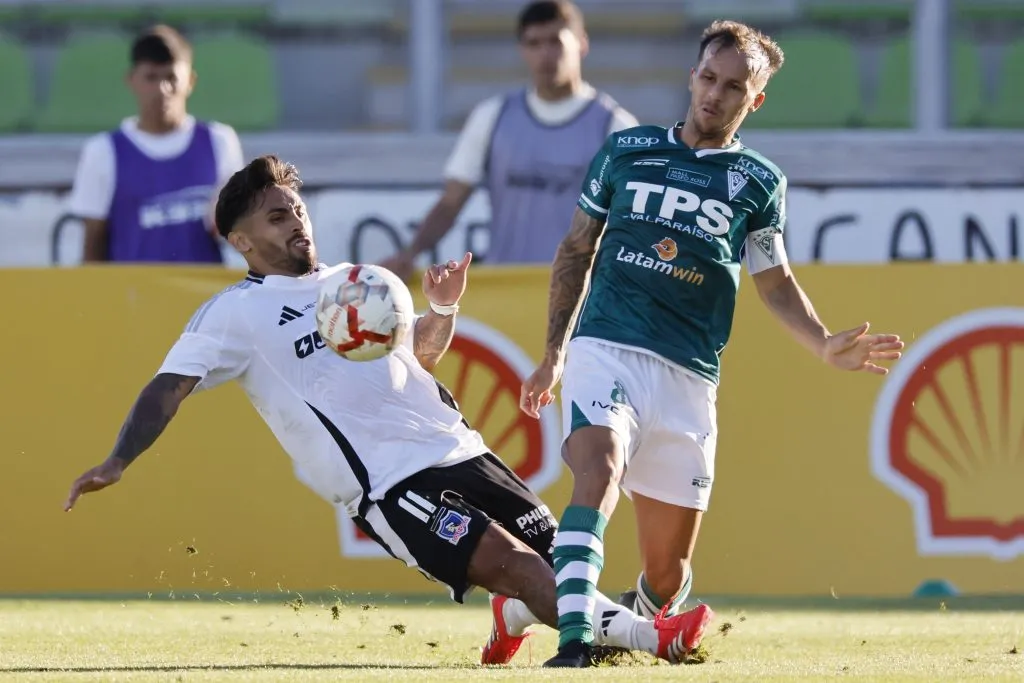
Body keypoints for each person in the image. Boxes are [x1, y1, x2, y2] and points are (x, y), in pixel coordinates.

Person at [63, 154, 713, 667]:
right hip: (390, 484)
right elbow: (168, 386)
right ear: (240, 239)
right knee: (520, 567)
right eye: (276, 217)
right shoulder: (235, 311)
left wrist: (443, 311)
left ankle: (513, 617)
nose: (296, 223)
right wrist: (120, 456)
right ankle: (659, 639)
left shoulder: (358, 279)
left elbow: (415, 359)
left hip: (460, 447)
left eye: (296, 208)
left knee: (559, 562)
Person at [519, 20, 906, 668]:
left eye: (734, 86)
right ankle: (574, 643)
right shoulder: (626, 150)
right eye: (708, 77)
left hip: (688, 377)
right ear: (692, 75)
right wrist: (554, 351)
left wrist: (819, 342)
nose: (715, 94)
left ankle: (597, 619)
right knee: (599, 469)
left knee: (666, 575)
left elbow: (775, 281)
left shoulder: (759, 182)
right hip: (605, 346)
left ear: (754, 100)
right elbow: (577, 247)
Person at [381, 0, 638, 280]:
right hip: (509, 292)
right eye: (534, 43)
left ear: (581, 44)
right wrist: (411, 253)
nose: (545, 54)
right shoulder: (492, 117)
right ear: (522, 50)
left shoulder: (616, 128)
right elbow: (451, 202)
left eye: (556, 42)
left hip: (581, 294)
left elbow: (638, 218)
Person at [67, 24, 244, 264]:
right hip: (132, 298)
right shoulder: (103, 151)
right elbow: (93, 248)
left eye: (171, 77)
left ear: (190, 80)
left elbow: (244, 236)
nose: (162, 89)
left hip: (207, 299)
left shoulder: (219, 141)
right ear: (132, 80)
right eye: (151, 77)